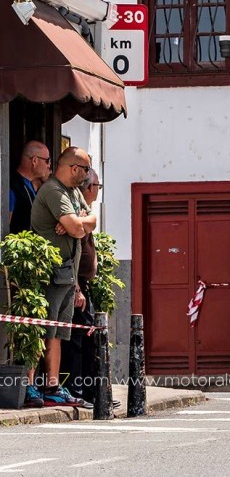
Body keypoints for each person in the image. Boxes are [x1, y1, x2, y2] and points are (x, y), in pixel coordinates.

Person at [30, 147, 96, 407]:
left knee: (57, 332)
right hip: (51, 273)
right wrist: (77, 224)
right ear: (74, 168)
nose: (88, 176)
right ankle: (29, 386)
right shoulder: (54, 191)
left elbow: (91, 219)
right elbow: (77, 229)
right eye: (86, 170)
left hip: (68, 274)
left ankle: (52, 386)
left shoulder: (74, 192)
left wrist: (82, 221)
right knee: (41, 327)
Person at [60, 168, 101, 405]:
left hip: (83, 282)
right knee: (77, 336)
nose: (96, 190)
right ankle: (77, 389)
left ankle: (90, 390)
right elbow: (72, 246)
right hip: (76, 284)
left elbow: (91, 222)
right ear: (89, 188)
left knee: (87, 337)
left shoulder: (83, 210)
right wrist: (77, 288)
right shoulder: (74, 208)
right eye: (97, 186)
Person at [9, 140, 51, 234]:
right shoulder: (12, 186)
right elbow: (4, 224)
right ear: (35, 161)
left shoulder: (30, 185)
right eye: (47, 161)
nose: (49, 165)